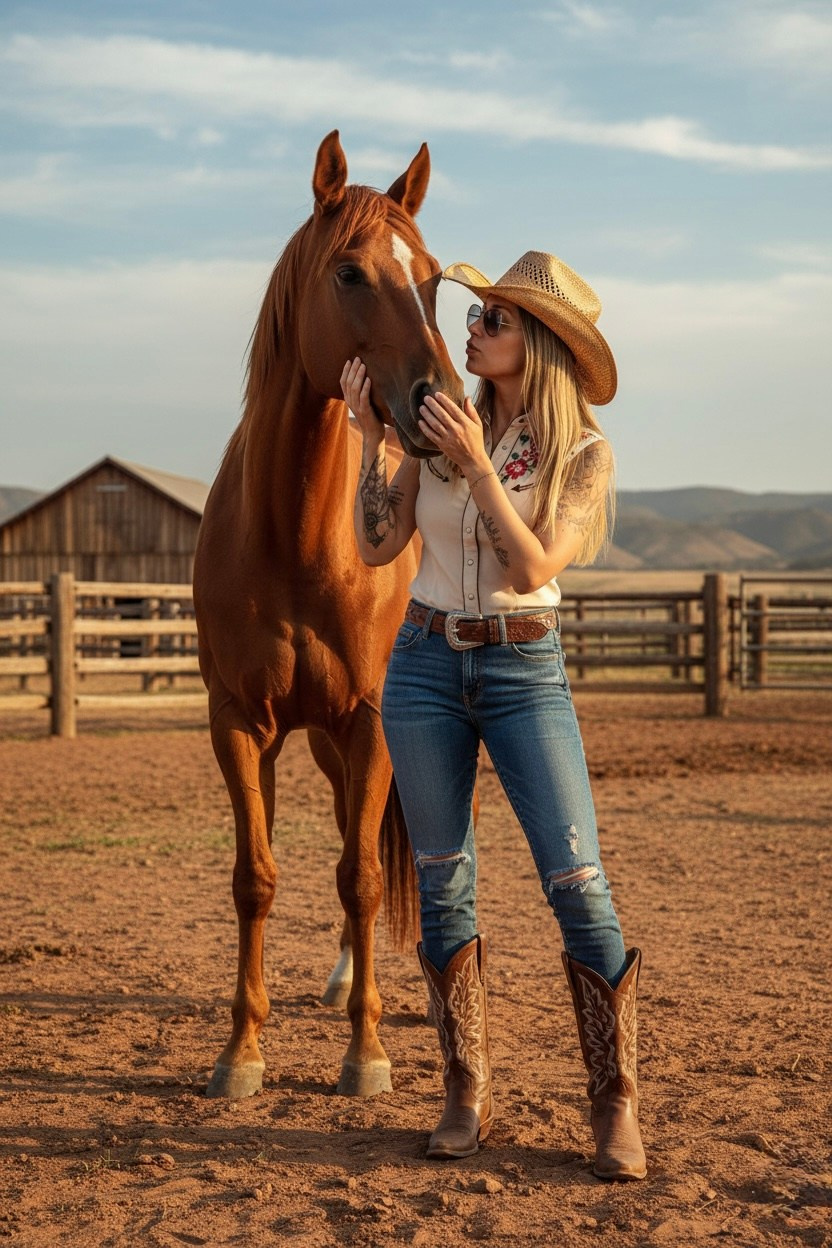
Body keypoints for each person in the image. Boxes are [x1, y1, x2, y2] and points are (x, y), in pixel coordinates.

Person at [340, 250, 646, 1182]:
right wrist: (375, 443)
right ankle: (464, 1090)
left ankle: (615, 1104)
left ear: (539, 345)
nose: (470, 329)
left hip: (524, 668)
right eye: (476, 317)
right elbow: (377, 538)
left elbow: (531, 568)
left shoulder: (582, 454)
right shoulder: (442, 427)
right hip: (425, 665)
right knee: (442, 882)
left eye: (493, 322)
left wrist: (476, 468)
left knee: (578, 882)